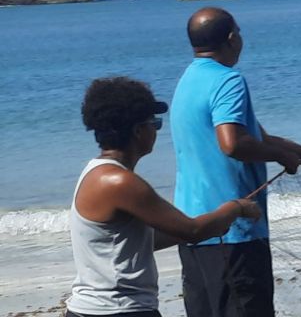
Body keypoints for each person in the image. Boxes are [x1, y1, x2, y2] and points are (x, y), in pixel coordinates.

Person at [170, 7, 301, 316]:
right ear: (232, 38)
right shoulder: (228, 80)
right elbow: (233, 143)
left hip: (194, 228)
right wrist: (282, 157)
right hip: (234, 231)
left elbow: (258, 138)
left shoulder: (187, 80)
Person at [68, 77, 262, 317]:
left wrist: (213, 224)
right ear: (138, 131)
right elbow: (192, 230)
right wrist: (236, 208)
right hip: (117, 310)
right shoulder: (120, 182)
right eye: (154, 123)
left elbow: (144, 240)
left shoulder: (97, 172)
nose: (156, 130)